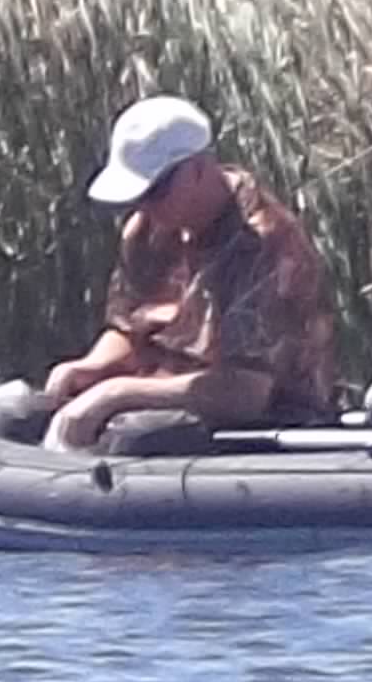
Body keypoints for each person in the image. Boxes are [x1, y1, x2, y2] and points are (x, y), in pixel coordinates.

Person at [34, 93, 338, 452]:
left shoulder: (266, 243)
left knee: (133, 438)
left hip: (266, 429)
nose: (145, 206)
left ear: (198, 168)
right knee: (20, 415)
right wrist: (92, 367)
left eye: (156, 190)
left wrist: (115, 393)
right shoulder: (146, 230)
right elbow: (131, 330)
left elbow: (245, 394)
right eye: (139, 194)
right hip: (161, 405)